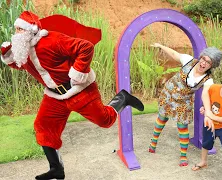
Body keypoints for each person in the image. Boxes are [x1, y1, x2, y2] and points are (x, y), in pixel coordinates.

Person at [0, 11, 144, 180]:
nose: (16, 33)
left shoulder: (52, 40)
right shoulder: (23, 50)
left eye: (20, 29)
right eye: (16, 29)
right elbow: (21, 65)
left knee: (105, 121)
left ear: (31, 29)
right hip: (54, 97)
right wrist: (7, 55)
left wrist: (78, 73)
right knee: (43, 127)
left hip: (79, 90)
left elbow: (86, 47)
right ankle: (56, 169)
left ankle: (123, 98)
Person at [148, 43, 222, 167]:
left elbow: (205, 94)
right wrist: (161, 46)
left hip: (184, 101)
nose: (203, 63)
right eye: (203, 58)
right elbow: (174, 54)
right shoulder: (189, 60)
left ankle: (183, 155)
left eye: (208, 62)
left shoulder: (208, 79)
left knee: (182, 127)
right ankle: (153, 142)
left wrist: (208, 111)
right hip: (169, 94)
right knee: (162, 118)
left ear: (212, 65)